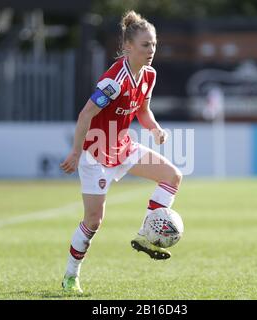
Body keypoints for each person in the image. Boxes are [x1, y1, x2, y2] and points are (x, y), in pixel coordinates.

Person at [59, 10, 183, 295]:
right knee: (93, 221)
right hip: (96, 155)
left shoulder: (149, 75)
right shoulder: (113, 82)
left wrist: (155, 129)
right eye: (145, 45)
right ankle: (70, 275)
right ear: (128, 46)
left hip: (123, 147)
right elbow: (85, 114)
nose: (151, 50)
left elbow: (143, 110)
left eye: (153, 44)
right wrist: (77, 152)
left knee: (172, 176)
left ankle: (145, 236)